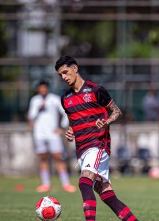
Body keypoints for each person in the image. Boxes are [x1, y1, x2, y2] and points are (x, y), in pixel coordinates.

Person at [55, 56, 138, 221]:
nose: (64, 77)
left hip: (98, 145)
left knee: (84, 182)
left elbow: (117, 112)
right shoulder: (65, 99)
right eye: (60, 75)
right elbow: (73, 120)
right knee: (107, 195)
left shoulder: (95, 90)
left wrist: (106, 122)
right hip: (81, 150)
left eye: (65, 72)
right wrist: (70, 131)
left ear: (75, 68)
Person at [27, 79, 76, 193]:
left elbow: (65, 113)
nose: (43, 90)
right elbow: (31, 116)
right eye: (41, 88)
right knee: (43, 158)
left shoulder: (54, 99)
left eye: (45, 87)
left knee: (58, 157)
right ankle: (45, 184)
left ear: (47, 88)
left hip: (52, 134)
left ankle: (66, 184)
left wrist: (62, 127)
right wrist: (39, 108)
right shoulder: (35, 100)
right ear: (38, 89)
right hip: (39, 134)